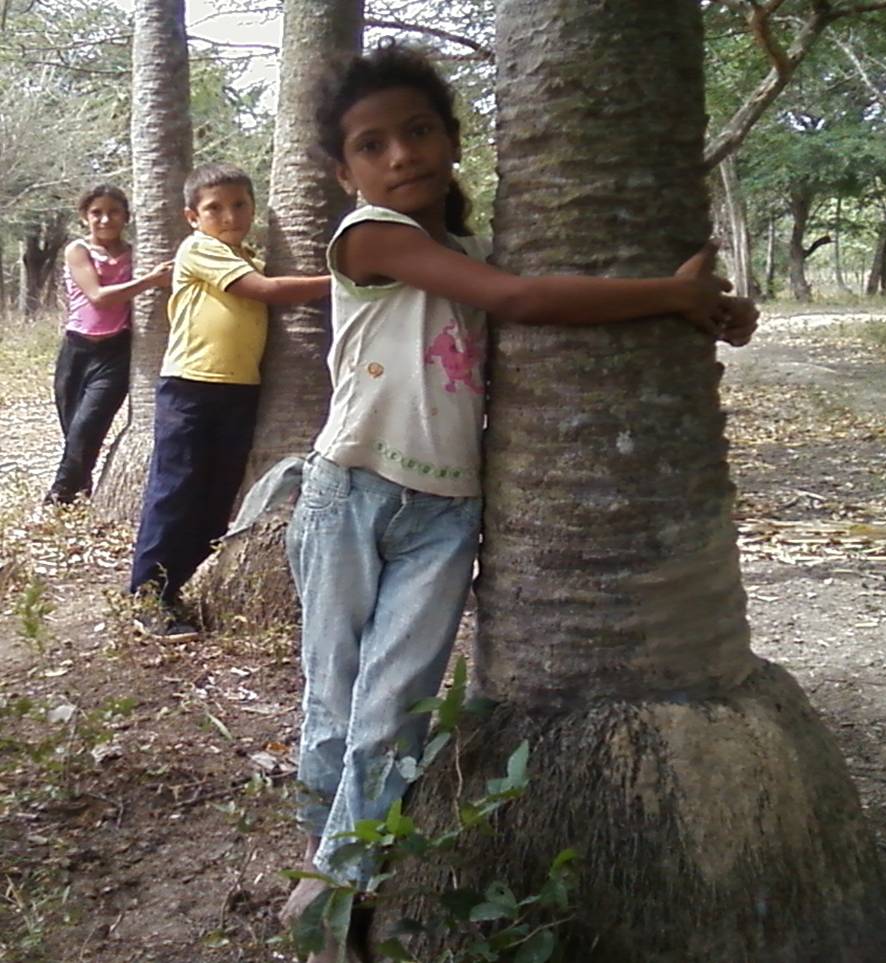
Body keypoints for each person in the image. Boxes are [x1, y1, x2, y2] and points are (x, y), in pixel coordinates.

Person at [279, 44, 759, 957]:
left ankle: (338, 891)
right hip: (349, 494)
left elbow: (545, 295)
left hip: (448, 512)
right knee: (335, 698)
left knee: (393, 707)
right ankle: (320, 861)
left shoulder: (463, 252)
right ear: (346, 175)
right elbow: (526, 299)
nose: (400, 155)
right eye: (372, 145)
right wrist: (667, 290)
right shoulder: (368, 237)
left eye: (419, 132)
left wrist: (698, 310)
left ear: (452, 141)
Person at [130, 162, 330, 639]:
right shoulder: (199, 250)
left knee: (216, 495)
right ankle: (146, 597)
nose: (228, 215)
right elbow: (264, 292)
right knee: (176, 490)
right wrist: (341, 280)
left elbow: (259, 280)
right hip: (191, 388)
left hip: (239, 391)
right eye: (214, 208)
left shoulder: (248, 257)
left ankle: (175, 588)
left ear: (254, 207)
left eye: (239, 204)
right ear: (191, 217)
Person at [46, 185, 172, 505]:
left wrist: (152, 277)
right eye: (96, 213)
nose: (105, 219)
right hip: (75, 351)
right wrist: (150, 281)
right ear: (84, 217)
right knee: (74, 430)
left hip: (115, 353)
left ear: (126, 217)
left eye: (113, 212)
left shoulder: (138, 256)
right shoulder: (78, 251)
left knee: (88, 425)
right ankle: (82, 489)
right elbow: (98, 298)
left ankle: (57, 497)